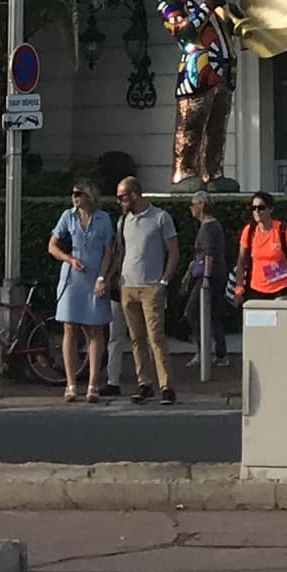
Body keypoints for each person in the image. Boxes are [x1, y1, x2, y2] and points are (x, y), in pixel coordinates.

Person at [158, 0, 246, 187]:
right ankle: (184, 172)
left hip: (224, 75)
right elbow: (184, 32)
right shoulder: (170, 2)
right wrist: (207, 8)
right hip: (196, 74)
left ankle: (213, 173)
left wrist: (235, 16)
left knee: (217, 130)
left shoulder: (219, 6)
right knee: (191, 126)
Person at [113, 174, 180, 406]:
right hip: (128, 286)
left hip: (151, 286)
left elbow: (173, 251)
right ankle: (145, 384)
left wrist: (163, 282)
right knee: (136, 339)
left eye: (122, 197)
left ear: (134, 195)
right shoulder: (123, 221)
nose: (120, 202)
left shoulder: (160, 217)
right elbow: (120, 252)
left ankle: (166, 386)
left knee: (156, 338)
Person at [49, 180, 116, 402]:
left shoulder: (103, 219)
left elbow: (109, 251)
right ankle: (70, 383)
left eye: (79, 193)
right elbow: (52, 245)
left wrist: (102, 278)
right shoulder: (68, 217)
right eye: (73, 194)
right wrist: (68, 258)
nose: (75, 197)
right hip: (72, 279)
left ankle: (93, 383)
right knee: (70, 328)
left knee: (95, 329)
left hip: (94, 277)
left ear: (89, 195)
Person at [181, 189, 231, 368]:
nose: (191, 208)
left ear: (201, 206)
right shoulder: (212, 225)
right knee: (213, 314)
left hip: (208, 276)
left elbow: (208, 254)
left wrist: (206, 278)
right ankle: (220, 353)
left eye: (193, 204)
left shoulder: (208, 227)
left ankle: (204, 351)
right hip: (217, 274)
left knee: (192, 312)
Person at [234, 193, 287, 305]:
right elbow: (241, 262)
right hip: (256, 288)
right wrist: (239, 289)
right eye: (254, 208)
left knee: (278, 320)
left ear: (270, 209)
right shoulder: (249, 231)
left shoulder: (283, 230)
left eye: (261, 208)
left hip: (281, 288)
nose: (257, 212)